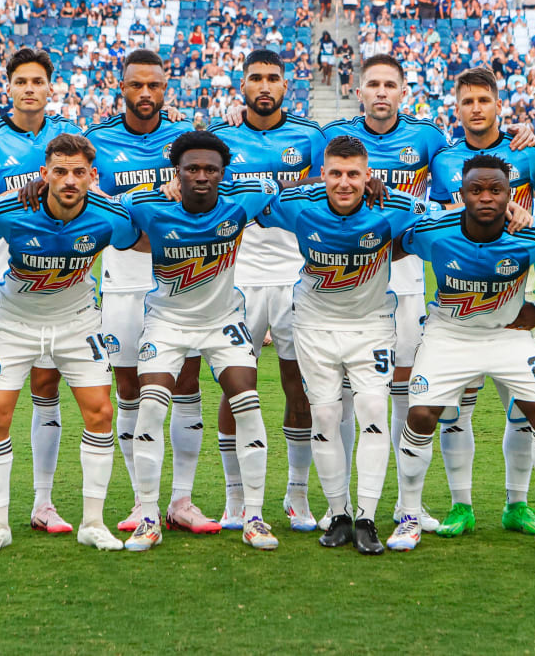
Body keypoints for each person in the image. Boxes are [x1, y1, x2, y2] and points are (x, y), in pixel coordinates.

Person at [323, 55, 535, 536]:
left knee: (417, 392)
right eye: (373, 84)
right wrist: (232, 116)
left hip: (422, 283)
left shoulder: (434, 142)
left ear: (404, 92)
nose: (381, 92)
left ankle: (413, 505)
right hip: (358, 276)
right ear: (359, 91)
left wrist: (523, 133)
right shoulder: (347, 138)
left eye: (390, 84)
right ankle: (344, 506)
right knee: (349, 396)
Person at [389, 154, 535, 554]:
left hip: (507, 335)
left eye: (496, 190)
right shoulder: (433, 230)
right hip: (448, 335)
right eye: (476, 189)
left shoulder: (531, 232)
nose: (486, 197)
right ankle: (409, 515)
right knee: (420, 415)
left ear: (510, 195)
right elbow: (391, 246)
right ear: (462, 194)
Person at [0, 135, 138, 554]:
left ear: (92, 176)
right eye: (60, 171)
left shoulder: (110, 216)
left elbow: (147, 236)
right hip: (13, 321)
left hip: (78, 321)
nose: (69, 180)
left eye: (79, 172)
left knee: (100, 412)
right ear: (44, 173)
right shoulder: (8, 210)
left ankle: (93, 523)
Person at [259, 135, 425, 555]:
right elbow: (245, 197)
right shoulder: (299, 205)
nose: (345, 183)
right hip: (314, 325)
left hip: (372, 326)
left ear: (369, 175)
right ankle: (339, 515)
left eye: (354, 174)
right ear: (323, 174)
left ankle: (366, 518)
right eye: (335, 174)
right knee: (326, 415)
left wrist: (515, 212)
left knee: (373, 411)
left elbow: (456, 216)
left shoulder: (394, 206)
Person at [120, 132, 281, 552]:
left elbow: (293, 185)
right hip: (167, 321)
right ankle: (149, 517)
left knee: (247, 401)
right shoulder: (146, 203)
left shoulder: (243, 200)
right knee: (151, 405)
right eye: (192, 168)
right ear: (177, 172)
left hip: (223, 321)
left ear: (223, 173)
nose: (202, 176)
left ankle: (254, 516)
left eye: (211, 169)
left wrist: (367, 183)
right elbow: (98, 207)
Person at [79, 49, 215, 534]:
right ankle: (143, 501)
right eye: (136, 85)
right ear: (122, 88)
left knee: (186, 385)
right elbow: (86, 201)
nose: (145, 93)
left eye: (153, 85)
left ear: (165, 88)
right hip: (123, 281)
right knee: (129, 391)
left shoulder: (184, 140)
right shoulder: (96, 141)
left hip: (182, 280)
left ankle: (182, 500)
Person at [0, 48, 82, 538]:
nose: (29, 89)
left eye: (38, 81)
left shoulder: (69, 135)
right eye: (21, 81)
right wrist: (17, 195)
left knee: (46, 388)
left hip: (58, 278)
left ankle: (44, 502)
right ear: (7, 86)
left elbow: (94, 188)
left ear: (51, 87)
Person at [426, 66, 535, 538]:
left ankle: (517, 504)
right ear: (456, 109)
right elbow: (437, 219)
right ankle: (462, 506)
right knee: (456, 410)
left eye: (484, 100)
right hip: (459, 301)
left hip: (517, 297)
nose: (476, 109)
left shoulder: (529, 152)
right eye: (467, 102)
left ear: (499, 104)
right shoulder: (443, 159)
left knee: (524, 408)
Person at [208, 50, 327, 532]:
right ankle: (235, 496)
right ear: (242, 85)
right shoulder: (221, 137)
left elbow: (334, 184)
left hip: (297, 275)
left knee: (300, 386)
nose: (264, 85)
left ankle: (297, 494)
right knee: (236, 386)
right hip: (237, 277)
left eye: (272, 78)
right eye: (255, 77)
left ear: (285, 85)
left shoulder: (311, 136)